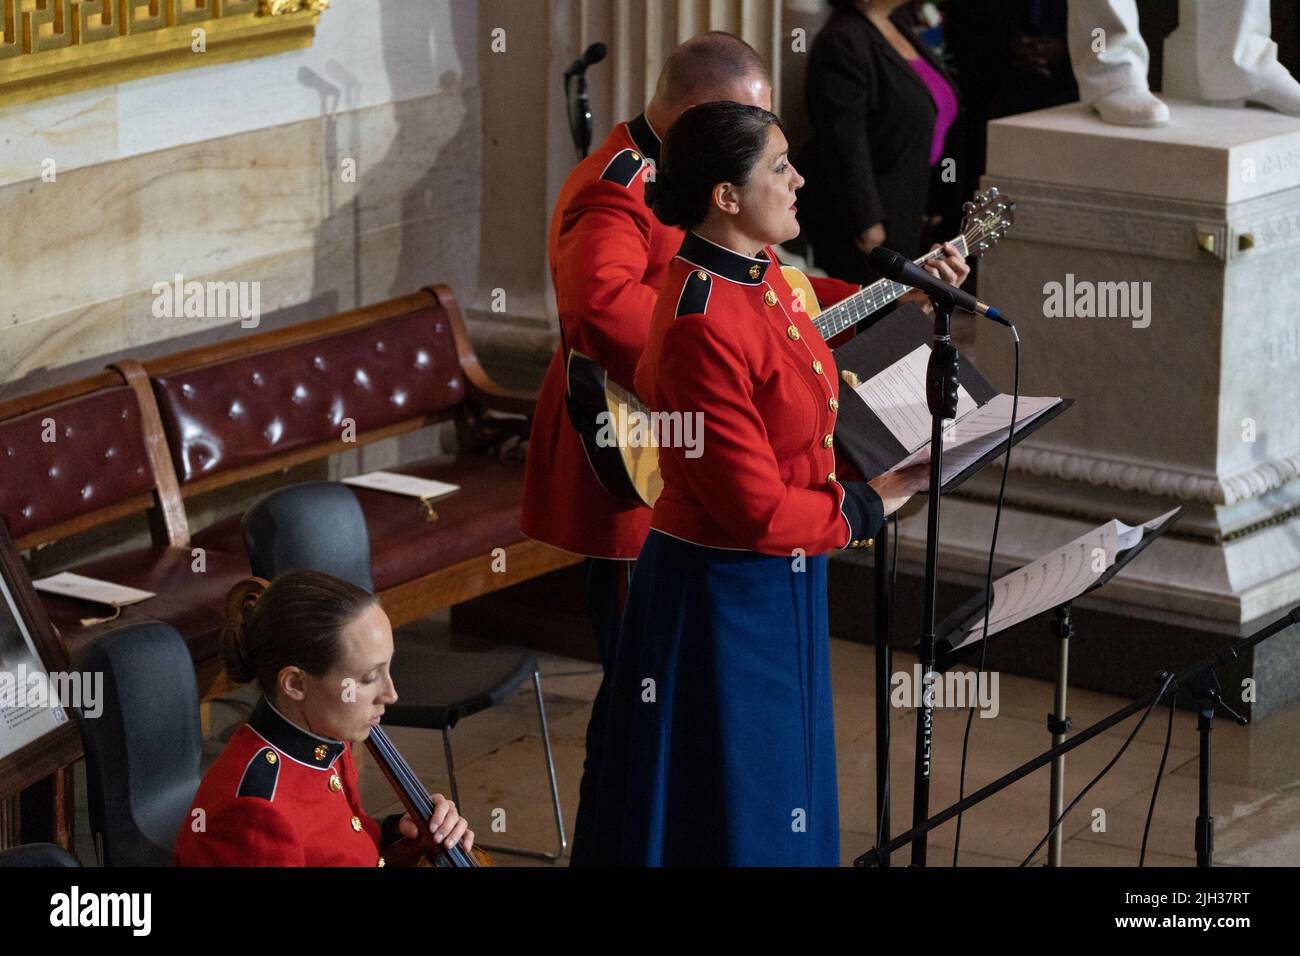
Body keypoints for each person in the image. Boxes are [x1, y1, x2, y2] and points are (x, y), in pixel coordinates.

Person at [520, 31, 865, 866]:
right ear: (705, 125)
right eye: (749, 127)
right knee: (648, 700)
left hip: (706, 441)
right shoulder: (612, 190)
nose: (769, 150)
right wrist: (733, 362)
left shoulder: (718, 211)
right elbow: (603, 313)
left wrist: (878, 298)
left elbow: (765, 286)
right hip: (645, 459)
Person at [589, 102, 958, 866]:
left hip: (787, 571)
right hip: (720, 591)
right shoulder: (698, 319)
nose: (799, 178)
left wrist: (912, 294)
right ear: (726, 196)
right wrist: (870, 503)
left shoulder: (767, 276)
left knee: (786, 782)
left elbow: (799, 329)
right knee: (735, 805)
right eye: (779, 166)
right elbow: (753, 509)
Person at [174, 571, 473, 866]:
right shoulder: (256, 814)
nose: (391, 694)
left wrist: (408, 835)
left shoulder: (324, 734)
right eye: (369, 678)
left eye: (388, 668)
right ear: (295, 684)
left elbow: (344, 846)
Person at [799, 0, 961, 284]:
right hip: (869, 227)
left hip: (905, 207)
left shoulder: (896, 24)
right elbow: (842, 142)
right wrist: (867, 224)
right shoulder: (842, 39)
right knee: (881, 321)